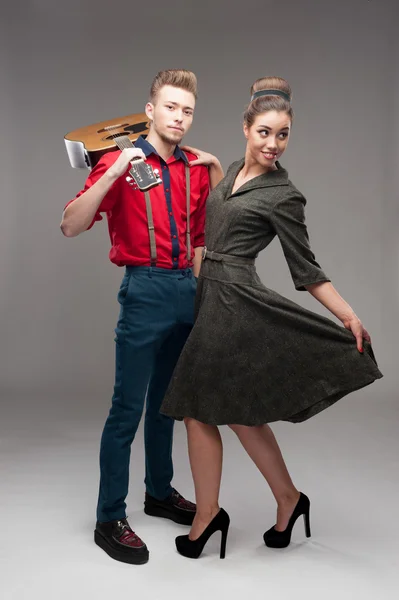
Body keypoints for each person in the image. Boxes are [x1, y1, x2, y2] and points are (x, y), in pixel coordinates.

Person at [160, 76, 383, 560]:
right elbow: (219, 216)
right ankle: (289, 499)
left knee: (198, 411)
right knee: (241, 416)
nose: (273, 144)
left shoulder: (284, 195)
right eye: (264, 132)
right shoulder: (236, 169)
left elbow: (307, 270)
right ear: (246, 127)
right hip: (210, 297)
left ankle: (207, 516)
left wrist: (349, 316)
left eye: (282, 135)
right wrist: (217, 168)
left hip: (236, 306)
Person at [60, 69, 224, 565]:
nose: (179, 117)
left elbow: (202, 237)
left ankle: (158, 492)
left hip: (184, 289)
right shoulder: (119, 162)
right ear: (150, 110)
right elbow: (70, 224)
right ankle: (109, 517)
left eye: (187, 110)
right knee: (126, 409)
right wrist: (112, 171)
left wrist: (215, 167)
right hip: (144, 288)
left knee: (167, 406)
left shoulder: (194, 168)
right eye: (170, 107)